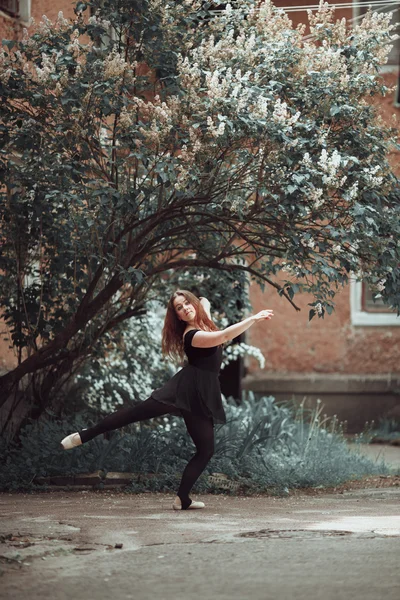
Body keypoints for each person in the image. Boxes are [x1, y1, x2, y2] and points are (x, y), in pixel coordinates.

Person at [61, 290, 274, 510]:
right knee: (136, 413)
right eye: (179, 309)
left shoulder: (204, 319)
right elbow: (223, 337)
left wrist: (198, 303)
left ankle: (182, 499)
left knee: (206, 450)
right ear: (179, 318)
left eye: (186, 304)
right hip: (184, 388)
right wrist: (253, 318)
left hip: (201, 394)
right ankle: (85, 435)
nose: (185, 309)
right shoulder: (192, 336)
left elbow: (205, 300)